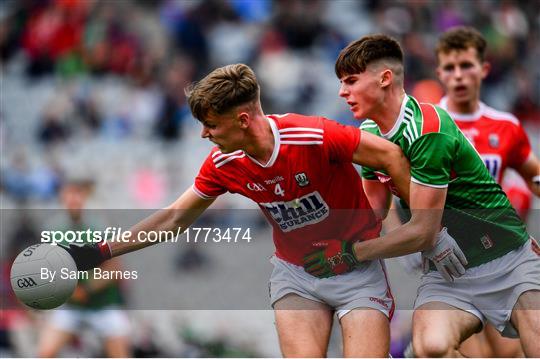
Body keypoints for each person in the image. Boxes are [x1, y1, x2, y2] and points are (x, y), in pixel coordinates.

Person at [55, 63, 465, 357]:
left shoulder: (314, 135)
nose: (204, 134)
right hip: (296, 273)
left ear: (244, 120)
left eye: (212, 125)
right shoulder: (223, 164)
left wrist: (429, 233)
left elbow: (392, 156)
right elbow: (175, 217)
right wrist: (101, 251)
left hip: (356, 270)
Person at [327, 34, 540, 357]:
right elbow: (373, 211)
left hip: (505, 256)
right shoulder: (370, 135)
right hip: (450, 271)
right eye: (342, 83)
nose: (342, 92)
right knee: (431, 349)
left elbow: (425, 230)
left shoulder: (429, 128)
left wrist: (352, 253)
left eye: (351, 81)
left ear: (385, 78)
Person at [435, 26, 540, 357]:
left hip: (500, 258)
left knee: (510, 352)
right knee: (456, 349)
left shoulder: (505, 126)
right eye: (450, 68)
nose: (459, 75)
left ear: (484, 68)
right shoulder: (425, 124)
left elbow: (533, 176)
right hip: (450, 265)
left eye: (466, 65)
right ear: (439, 73)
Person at [37, 179, 131, 358]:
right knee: (45, 353)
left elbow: (114, 269)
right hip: (72, 306)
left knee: (120, 354)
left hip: (102, 304)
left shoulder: (99, 229)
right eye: (68, 195)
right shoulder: (52, 231)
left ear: (84, 197)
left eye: (77, 194)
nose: (73, 200)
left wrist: (86, 288)